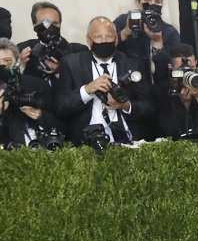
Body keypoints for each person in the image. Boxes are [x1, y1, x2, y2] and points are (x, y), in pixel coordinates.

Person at [54, 16, 153, 145]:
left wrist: (126, 106)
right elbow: (60, 107)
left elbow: (149, 107)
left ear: (116, 40)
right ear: (88, 40)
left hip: (129, 140)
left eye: (109, 36)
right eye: (98, 37)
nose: (104, 41)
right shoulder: (71, 64)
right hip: (86, 143)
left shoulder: (133, 65)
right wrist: (87, 90)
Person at [113, 0, 181, 86]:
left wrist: (157, 43)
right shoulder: (123, 21)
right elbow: (108, 51)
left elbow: (171, 68)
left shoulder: (169, 31)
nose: (152, 6)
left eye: (157, 2)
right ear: (138, 2)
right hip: (130, 84)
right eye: (147, 1)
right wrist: (125, 33)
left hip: (159, 88)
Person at [0, 38, 63, 148]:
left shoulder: (38, 85)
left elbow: (61, 123)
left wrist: (41, 115)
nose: (2, 66)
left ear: (17, 61)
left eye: (7, 60)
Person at [154, 43, 198, 140]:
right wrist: (185, 105)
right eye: (181, 69)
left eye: (191, 69)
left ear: (196, 63)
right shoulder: (163, 89)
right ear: (170, 67)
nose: (187, 73)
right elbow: (168, 130)